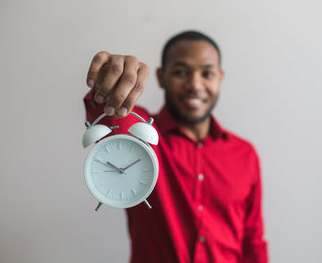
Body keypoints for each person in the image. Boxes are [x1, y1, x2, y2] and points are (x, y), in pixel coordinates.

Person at [84, 30, 268, 263]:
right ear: (162, 77)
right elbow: (109, 118)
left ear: (220, 78)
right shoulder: (139, 136)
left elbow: (252, 241)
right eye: (181, 72)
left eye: (207, 73)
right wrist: (107, 85)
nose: (195, 85)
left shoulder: (245, 154)